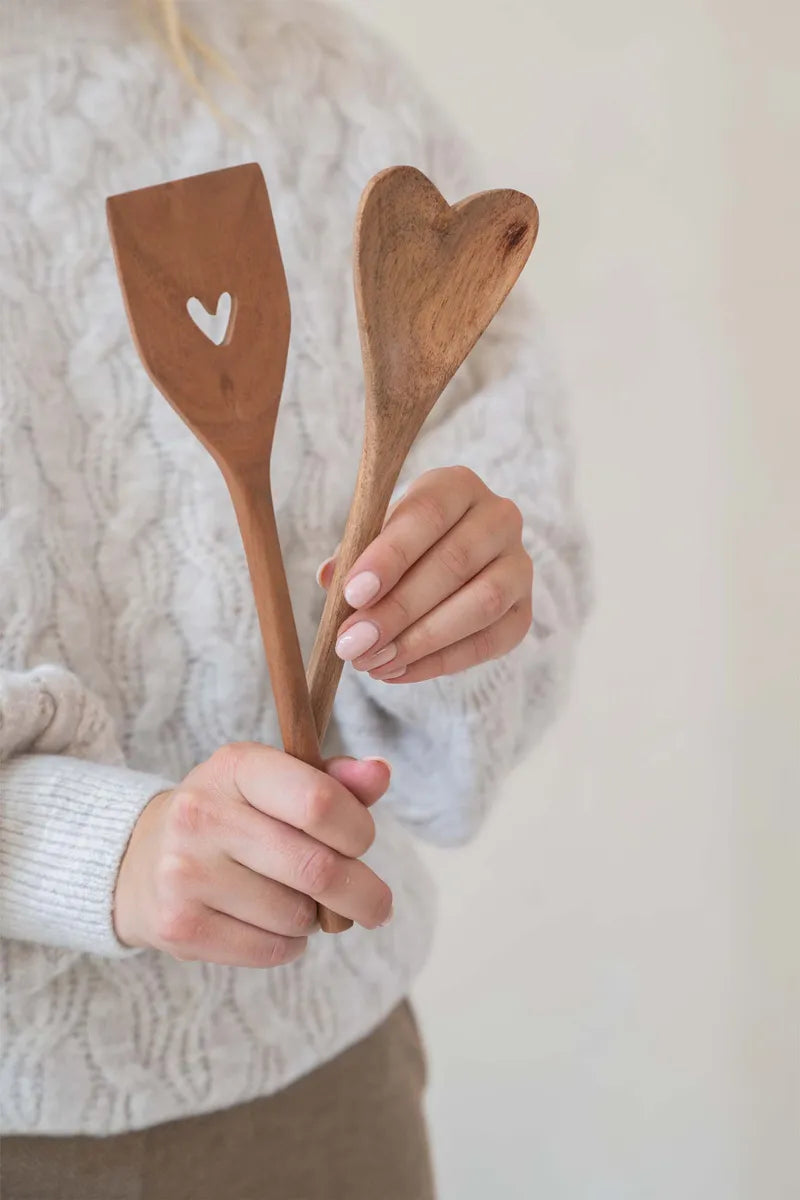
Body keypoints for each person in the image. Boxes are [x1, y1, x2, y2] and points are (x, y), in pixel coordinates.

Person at [0, 1, 590, 1196]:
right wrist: (87, 851)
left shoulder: (323, 72)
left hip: (328, 1094)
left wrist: (455, 627)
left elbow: (529, 526)